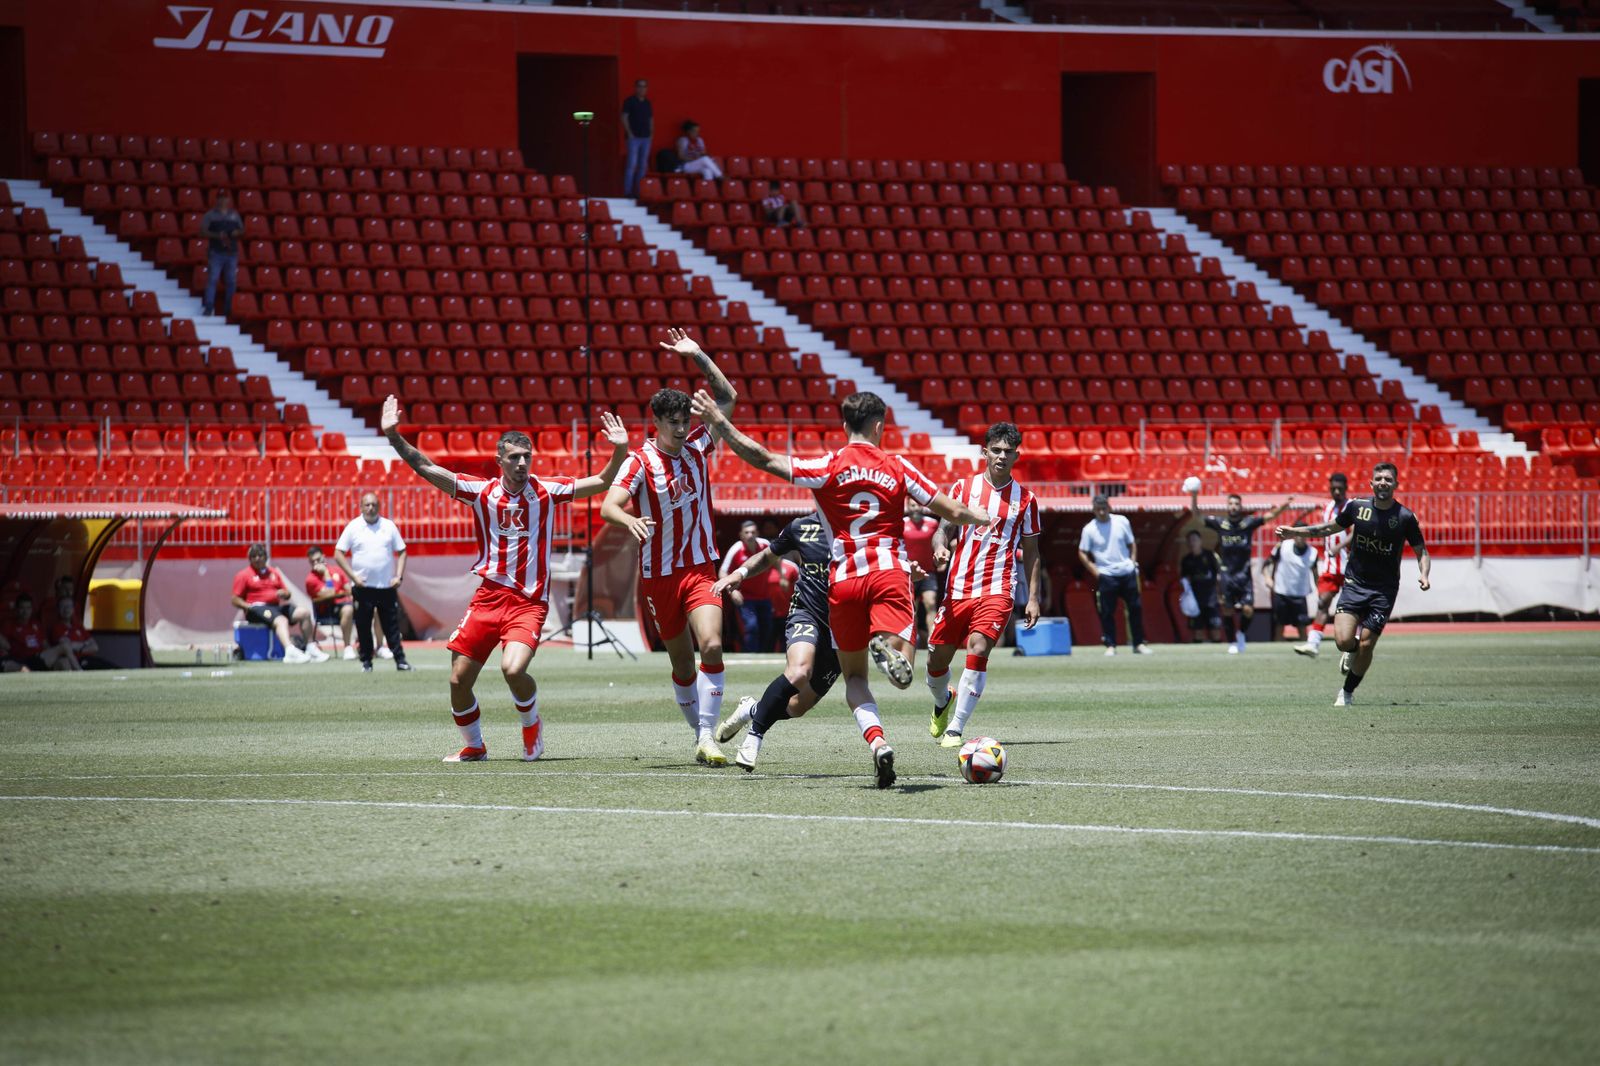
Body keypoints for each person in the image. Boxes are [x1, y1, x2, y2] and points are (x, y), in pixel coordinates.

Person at [690, 388, 990, 789]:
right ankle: (888, 650)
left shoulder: (829, 465)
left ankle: (878, 742)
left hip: (843, 579)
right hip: (888, 572)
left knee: (855, 679)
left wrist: (720, 422)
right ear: (880, 426)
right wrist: (978, 516)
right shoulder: (898, 465)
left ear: (845, 425)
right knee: (902, 676)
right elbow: (951, 510)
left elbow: (763, 458)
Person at [383, 395, 630, 761]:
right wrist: (393, 437)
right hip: (488, 598)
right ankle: (474, 746)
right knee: (458, 680)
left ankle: (531, 724)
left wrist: (620, 450)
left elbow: (603, 481)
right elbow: (427, 467)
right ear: (499, 460)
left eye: (527, 456)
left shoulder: (547, 491)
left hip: (528, 602)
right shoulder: (481, 492)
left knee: (512, 669)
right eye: (514, 457)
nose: (522, 463)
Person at [600, 326, 740, 767]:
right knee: (681, 664)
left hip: (700, 569)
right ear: (657, 423)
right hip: (659, 577)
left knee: (711, 646)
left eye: (685, 421)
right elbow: (608, 505)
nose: (682, 429)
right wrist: (628, 518)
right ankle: (702, 734)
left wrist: (697, 355)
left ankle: (707, 736)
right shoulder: (640, 461)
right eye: (673, 423)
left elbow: (729, 397)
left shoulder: (699, 445)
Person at [925, 422, 1042, 747]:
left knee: (978, 648)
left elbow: (1032, 552)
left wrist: (1033, 597)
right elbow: (942, 529)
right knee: (936, 663)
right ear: (985, 452)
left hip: (998, 588)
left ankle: (955, 729)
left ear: (1017, 456)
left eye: (1008, 451)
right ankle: (943, 701)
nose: (1002, 456)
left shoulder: (1026, 500)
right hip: (958, 589)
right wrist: (939, 547)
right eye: (996, 450)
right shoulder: (963, 489)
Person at [1275, 462, 1430, 706]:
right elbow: (1328, 528)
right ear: (1371, 483)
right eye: (1379, 478)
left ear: (1396, 485)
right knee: (1343, 641)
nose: (1383, 482)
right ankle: (1351, 651)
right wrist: (1296, 532)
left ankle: (1346, 692)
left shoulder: (1405, 517)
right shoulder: (1357, 507)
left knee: (1367, 643)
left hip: (1384, 590)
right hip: (1354, 584)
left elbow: (1422, 551)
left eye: (1388, 479)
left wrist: (1424, 574)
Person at [710, 511, 841, 771]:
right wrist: (740, 573)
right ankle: (754, 737)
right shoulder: (801, 526)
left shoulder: (863, 530)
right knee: (799, 671)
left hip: (843, 625)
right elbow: (768, 556)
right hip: (807, 612)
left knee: (797, 706)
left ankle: (751, 710)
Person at [1187, 486, 1295, 654]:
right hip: (1227, 575)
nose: (1234, 507)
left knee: (1248, 610)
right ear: (1227, 506)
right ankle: (1231, 642)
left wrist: (1284, 505)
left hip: (1244, 574)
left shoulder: (1248, 523)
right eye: (1231, 504)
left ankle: (1241, 633)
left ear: (1240, 506)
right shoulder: (1220, 524)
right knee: (1227, 610)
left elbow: (1269, 516)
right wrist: (1194, 496)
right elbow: (1197, 516)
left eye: (1236, 504)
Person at [335, 493, 412, 673]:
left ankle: (400, 661)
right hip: (362, 587)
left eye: (374, 505)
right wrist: (353, 577)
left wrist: (398, 576)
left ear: (379, 506)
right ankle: (366, 662)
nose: (371, 508)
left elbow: (402, 551)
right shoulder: (354, 526)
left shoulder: (388, 526)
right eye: (367, 505)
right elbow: (338, 553)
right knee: (363, 626)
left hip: (386, 586)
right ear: (361, 507)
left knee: (391, 626)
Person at [1078, 494, 1150, 656]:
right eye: (1098, 509)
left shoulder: (1122, 521)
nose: (1101, 512)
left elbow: (1132, 543)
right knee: (1107, 612)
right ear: (1093, 510)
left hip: (1127, 572)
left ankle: (1138, 643)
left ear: (1109, 507)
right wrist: (1095, 571)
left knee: (1135, 608)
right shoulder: (1089, 529)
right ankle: (1110, 645)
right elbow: (1082, 552)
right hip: (1106, 574)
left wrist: (1132, 562)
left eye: (1104, 508)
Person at [229, 544, 327, 663]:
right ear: (249, 559)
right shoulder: (243, 575)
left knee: (304, 613)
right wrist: (249, 607)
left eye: (260, 555)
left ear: (266, 557)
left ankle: (310, 647)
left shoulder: (273, 572)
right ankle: (289, 651)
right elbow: (235, 599)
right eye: (253, 556)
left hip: (275, 608)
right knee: (281, 620)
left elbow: (288, 593)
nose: (257, 558)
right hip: (257, 608)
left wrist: (284, 594)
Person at [1296, 472, 1352, 658]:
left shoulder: (1351, 507)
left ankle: (1354, 644)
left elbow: (1356, 532)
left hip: (1351, 567)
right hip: (1331, 566)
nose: (1336, 492)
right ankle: (1313, 644)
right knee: (1322, 602)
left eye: (1340, 488)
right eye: (1333, 488)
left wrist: (1339, 546)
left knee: (1351, 608)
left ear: (1346, 488)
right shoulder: (1328, 508)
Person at [719, 519, 776, 653]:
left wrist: (782, 575)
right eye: (747, 532)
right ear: (741, 535)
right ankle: (750, 654)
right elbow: (722, 572)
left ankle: (763, 656)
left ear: (757, 533)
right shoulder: (736, 548)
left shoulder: (765, 544)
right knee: (751, 626)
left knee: (767, 627)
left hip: (765, 595)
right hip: (746, 597)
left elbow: (775, 559)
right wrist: (732, 591)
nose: (750, 535)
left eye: (753, 532)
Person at [1264, 533, 1319, 643]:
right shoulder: (1282, 546)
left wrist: (1319, 590)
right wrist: (1267, 578)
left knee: (1302, 627)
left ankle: (1305, 647)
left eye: (1303, 535)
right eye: (1298, 535)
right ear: (1294, 536)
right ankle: (1276, 648)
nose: (1300, 537)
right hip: (1281, 592)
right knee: (1279, 626)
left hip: (1300, 595)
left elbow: (1315, 574)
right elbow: (1268, 562)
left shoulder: (1313, 552)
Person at [305, 546, 358, 660]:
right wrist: (326, 574)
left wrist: (347, 593)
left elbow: (349, 590)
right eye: (312, 561)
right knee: (348, 610)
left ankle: (368, 645)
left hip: (344, 604)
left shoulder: (337, 570)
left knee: (369, 607)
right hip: (326, 611)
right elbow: (331, 592)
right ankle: (348, 647)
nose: (316, 563)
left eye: (318, 559)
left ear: (324, 557)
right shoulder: (311, 579)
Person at [903, 496, 941, 647]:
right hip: (909, 573)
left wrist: (940, 557)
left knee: (930, 603)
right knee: (912, 609)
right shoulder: (901, 523)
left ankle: (932, 642)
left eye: (918, 505)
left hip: (928, 572)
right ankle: (912, 642)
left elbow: (940, 542)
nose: (916, 508)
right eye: (912, 505)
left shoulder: (933, 523)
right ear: (908, 507)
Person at [1, 593, 70, 672]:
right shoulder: (9, 625)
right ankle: (79, 670)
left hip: (39, 658)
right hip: (23, 660)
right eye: (22, 608)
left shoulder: (36, 624)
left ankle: (77, 675)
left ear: (31, 609)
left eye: (28, 608)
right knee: (64, 647)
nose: (25, 611)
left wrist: (53, 656)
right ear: (16, 609)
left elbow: (45, 645)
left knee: (64, 661)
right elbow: (6, 647)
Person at [200, 191, 242, 316]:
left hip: (231, 252)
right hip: (216, 251)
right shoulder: (210, 215)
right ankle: (209, 307)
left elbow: (242, 230)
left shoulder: (234, 215)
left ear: (228, 200)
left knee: (231, 281)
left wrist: (235, 233)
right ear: (217, 200)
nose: (223, 200)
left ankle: (229, 308)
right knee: (213, 279)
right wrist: (217, 235)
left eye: (225, 198)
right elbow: (202, 231)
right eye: (220, 198)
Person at [1178, 530, 1224, 643]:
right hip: (1195, 601)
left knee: (1215, 630)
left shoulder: (1210, 556)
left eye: (1194, 540)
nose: (1192, 543)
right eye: (1189, 541)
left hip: (1211, 599)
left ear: (1200, 541)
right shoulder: (1186, 560)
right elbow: (1184, 579)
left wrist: (1221, 594)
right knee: (1197, 631)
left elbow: (1219, 575)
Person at [47, 595, 115, 670]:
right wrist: (85, 644)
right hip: (78, 661)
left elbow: (95, 647)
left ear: (73, 609)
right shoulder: (57, 628)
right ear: (58, 609)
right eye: (63, 606)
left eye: (69, 606)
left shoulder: (78, 627)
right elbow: (68, 647)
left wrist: (79, 648)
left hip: (90, 658)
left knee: (113, 667)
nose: (66, 609)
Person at [621, 78, 653, 198]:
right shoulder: (629, 101)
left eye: (644, 86)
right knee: (631, 164)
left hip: (646, 138)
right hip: (634, 137)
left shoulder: (647, 103)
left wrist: (651, 133)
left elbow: (650, 119)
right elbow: (624, 117)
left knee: (643, 166)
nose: (642, 89)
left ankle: (639, 191)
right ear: (635, 88)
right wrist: (629, 133)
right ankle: (628, 191)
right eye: (639, 86)